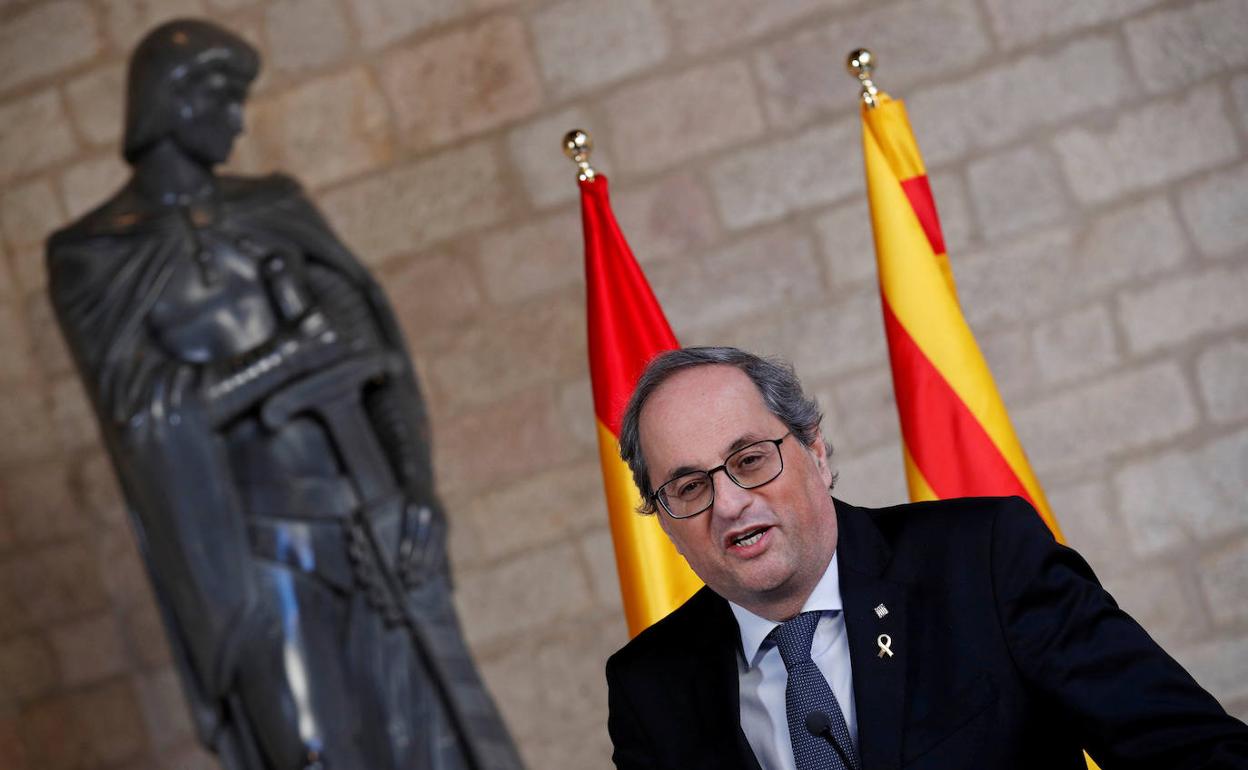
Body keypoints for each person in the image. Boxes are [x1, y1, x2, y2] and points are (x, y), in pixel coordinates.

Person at [47, 19, 522, 770]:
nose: (238, 122)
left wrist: (420, 492)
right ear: (173, 101)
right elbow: (146, 416)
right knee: (309, 754)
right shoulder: (96, 253)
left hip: (369, 516)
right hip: (259, 553)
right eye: (226, 101)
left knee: (438, 742)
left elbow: (378, 362)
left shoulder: (275, 205)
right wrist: (285, 358)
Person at [605, 346, 1248, 769]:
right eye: (689, 487)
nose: (730, 503)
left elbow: (1190, 754)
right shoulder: (649, 686)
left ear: (817, 453)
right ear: (664, 522)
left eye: (749, 460)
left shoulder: (984, 560)